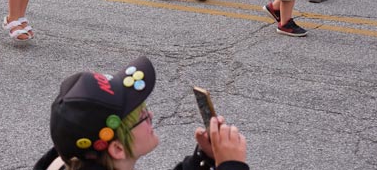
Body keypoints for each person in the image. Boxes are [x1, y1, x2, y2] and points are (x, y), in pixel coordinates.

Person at [33, 56, 249, 170]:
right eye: (143, 116)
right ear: (117, 149)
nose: (152, 116)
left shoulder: (70, 160)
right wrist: (232, 165)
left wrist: (203, 160)